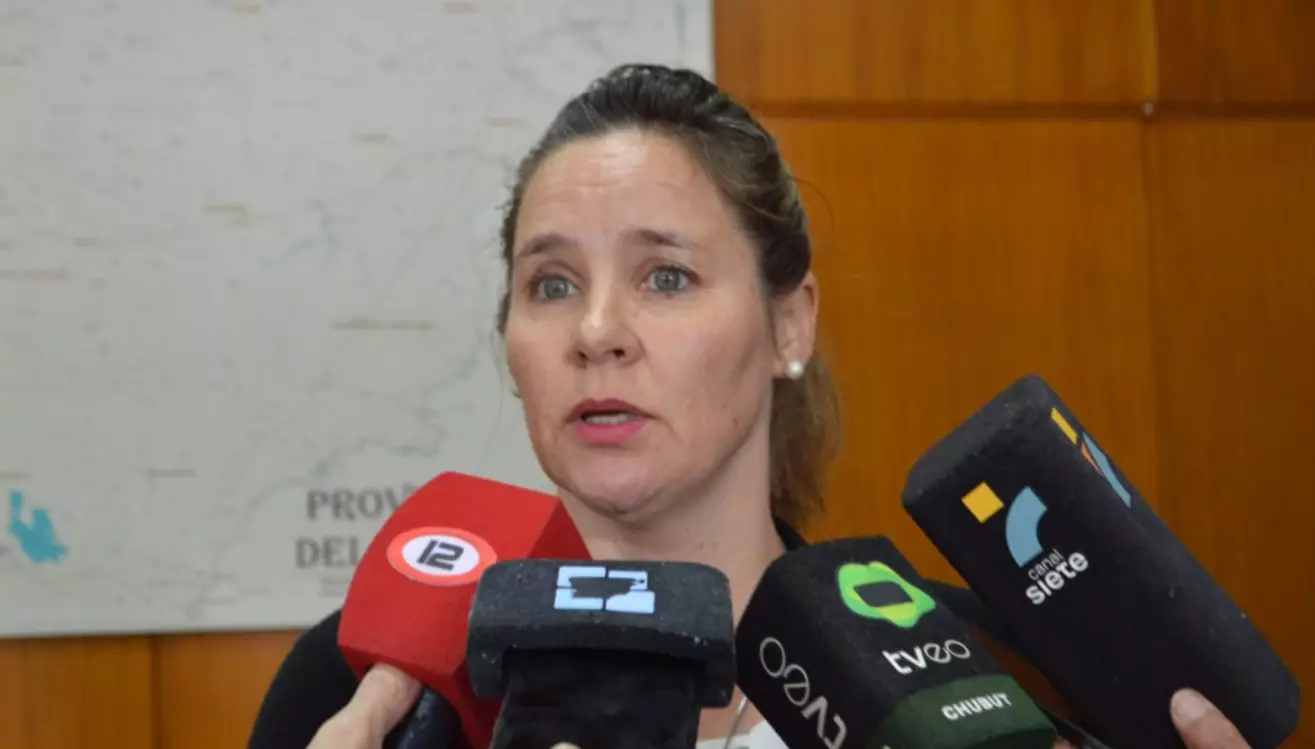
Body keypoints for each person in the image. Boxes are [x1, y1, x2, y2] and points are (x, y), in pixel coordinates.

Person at [248, 64, 1258, 749]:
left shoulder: (986, 676)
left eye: (666, 276)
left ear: (788, 324)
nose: (595, 330)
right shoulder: (368, 691)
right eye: (551, 283)